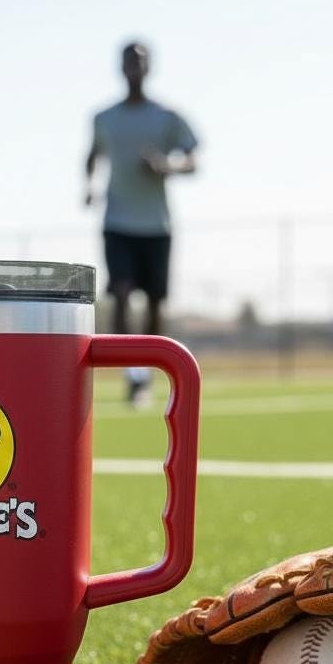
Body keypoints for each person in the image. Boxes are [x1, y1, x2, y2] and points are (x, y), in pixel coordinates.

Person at [85, 41, 200, 404]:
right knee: (119, 293)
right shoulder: (104, 118)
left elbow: (192, 159)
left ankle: (147, 373)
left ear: (149, 67)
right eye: (129, 62)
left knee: (153, 303)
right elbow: (92, 156)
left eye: (140, 61)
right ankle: (132, 373)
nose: (134, 67)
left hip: (156, 225)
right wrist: (89, 185)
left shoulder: (167, 117)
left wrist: (166, 165)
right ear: (121, 67)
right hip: (117, 221)